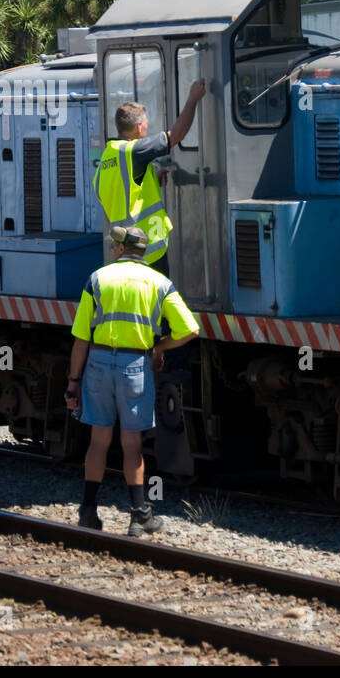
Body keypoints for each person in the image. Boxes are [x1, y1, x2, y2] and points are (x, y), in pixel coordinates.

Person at [64, 224, 200, 535]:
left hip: (98, 363)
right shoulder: (158, 282)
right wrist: (160, 346)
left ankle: (87, 512)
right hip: (135, 366)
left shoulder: (98, 279)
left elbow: (81, 339)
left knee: (98, 440)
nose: (113, 250)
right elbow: (190, 329)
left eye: (115, 246)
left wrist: (73, 382)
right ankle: (139, 514)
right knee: (131, 445)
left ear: (122, 249)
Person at [94, 78, 207, 275]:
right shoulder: (133, 151)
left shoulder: (107, 157)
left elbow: (119, 191)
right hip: (146, 249)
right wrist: (192, 99)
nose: (147, 127)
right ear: (139, 127)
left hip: (122, 249)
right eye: (146, 123)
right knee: (156, 300)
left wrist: (151, 177)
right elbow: (176, 135)